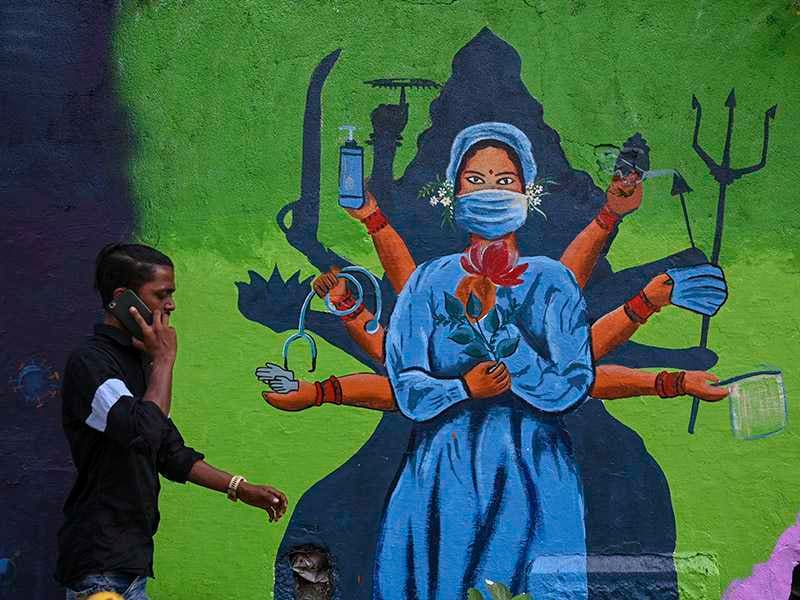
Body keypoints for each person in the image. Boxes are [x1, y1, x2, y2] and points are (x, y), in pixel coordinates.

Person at [258, 123, 728, 598]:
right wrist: (463, 388)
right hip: (442, 472)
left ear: (528, 192)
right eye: (474, 180)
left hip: (536, 470)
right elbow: (406, 386)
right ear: (453, 192)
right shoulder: (428, 282)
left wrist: (504, 339)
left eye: (505, 181)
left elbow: (569, 385)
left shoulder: (552, 283)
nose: (489, 192)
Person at [56, 244, 288, 600]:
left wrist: (241, 489)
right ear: (122, 298)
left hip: (128, 569)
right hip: (99, 570)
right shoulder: (92, 363)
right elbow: (142, 430)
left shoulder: (136, 362)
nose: (171, 305)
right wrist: (163, 362)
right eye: (161, 294)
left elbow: (169, 451)